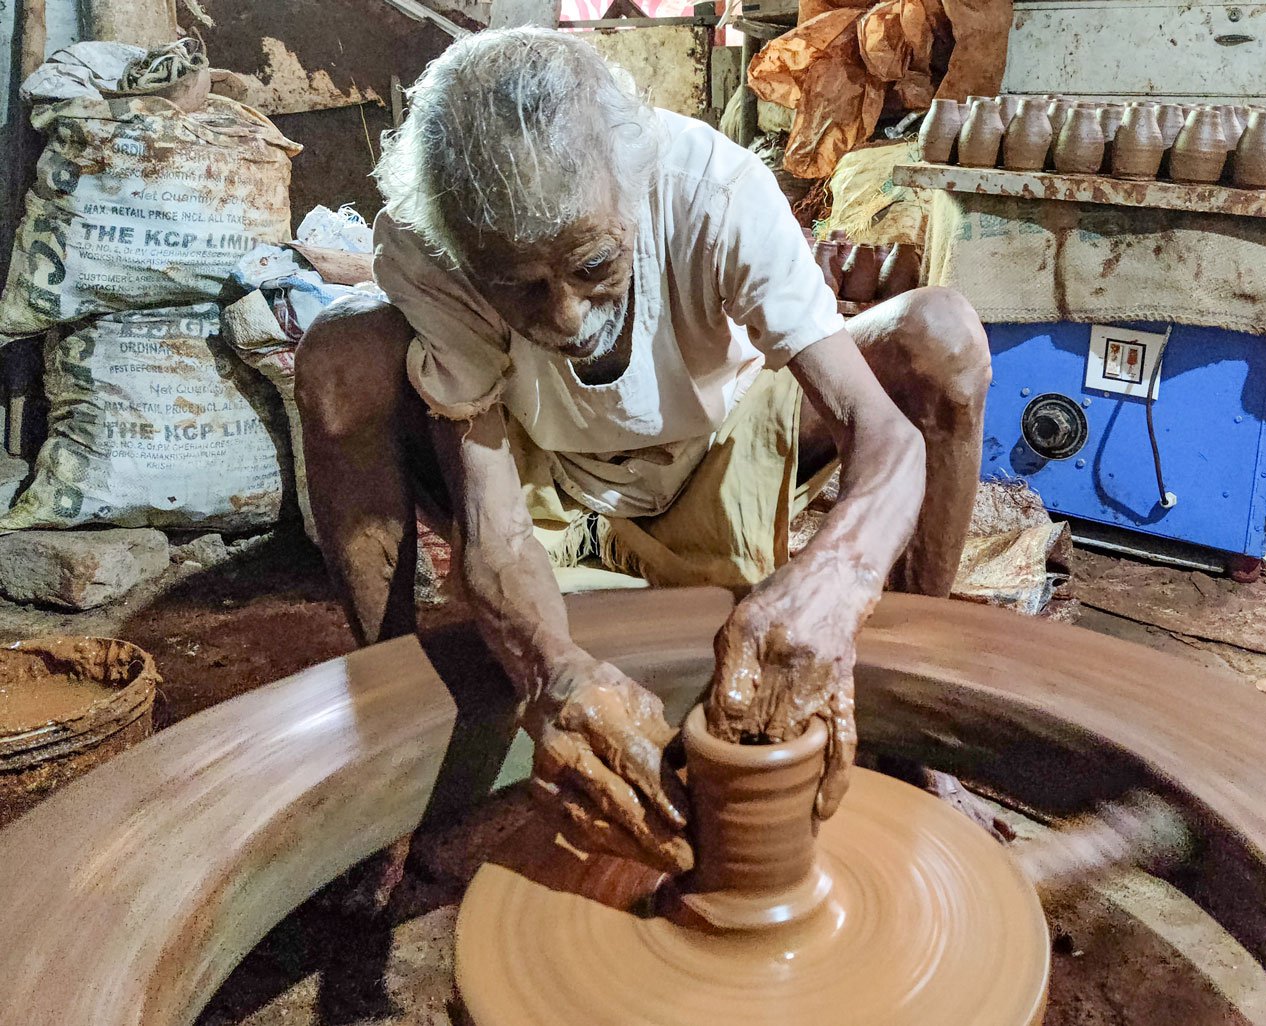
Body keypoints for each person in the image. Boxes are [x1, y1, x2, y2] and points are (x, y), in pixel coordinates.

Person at [296, 28, 992, 875]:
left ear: (634, 189)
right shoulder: (429, 246)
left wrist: (839, 577)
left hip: (725, 444)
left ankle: (915, 727)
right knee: (336, 356)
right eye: (516, 284)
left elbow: (883, 435)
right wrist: (551, 677)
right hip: (546, 470)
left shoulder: (712, 188)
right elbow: (492, 526)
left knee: (943, 339)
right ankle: (391, 735)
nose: (563, 317)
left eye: (592, 264)